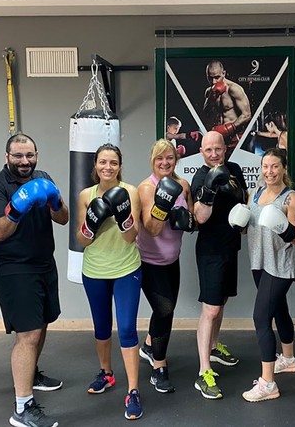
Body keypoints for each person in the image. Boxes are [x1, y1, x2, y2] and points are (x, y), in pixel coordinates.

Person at [0, 133, 68, 427]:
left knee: (42, 325)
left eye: (29, 155)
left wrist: (54, 201)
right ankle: (23, 408)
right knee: (28, 335)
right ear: (7, 157)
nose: (24, 161)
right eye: (18, 156)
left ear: (36, 155)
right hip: (14, 269)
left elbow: (63, 218)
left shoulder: (43, 177)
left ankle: (31, 374)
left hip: (44, 264)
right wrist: (18, 206)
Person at [75, 143, 145, 420]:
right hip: (94, 270)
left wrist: (122, 216)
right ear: (95, 165)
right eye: (103, 162)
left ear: (120, 166)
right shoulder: (85, 195)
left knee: (126, 328)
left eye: (113, 162)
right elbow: (81, 241)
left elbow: (131, 237)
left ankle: (133, 391)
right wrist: (91, 224)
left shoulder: (131, 192)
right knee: (101, 327)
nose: (108, 167)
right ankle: (106, 373)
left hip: (126, 268)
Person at [238, 148, 295, 402]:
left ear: (284, 168)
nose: (270, 171)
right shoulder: (255, 193)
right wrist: (239, 223)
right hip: (259, 262)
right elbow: (248, 229)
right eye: (266, 166)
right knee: (279, 310)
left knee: (261, 318)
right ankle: (288, 359)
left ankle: (268, 384)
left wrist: (285, 227)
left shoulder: (291, 198)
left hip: (280, 264)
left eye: (275, 166)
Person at [191, 131, 248, 399]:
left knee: (221, 301)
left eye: (218, 149)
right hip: (210, 251)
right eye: (209, 150)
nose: (214, 154)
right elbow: (200, 218)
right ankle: (204, 371)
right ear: (202, 152)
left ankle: (214, 346)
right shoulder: (200, 177)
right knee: (210, 308)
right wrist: (210, 190)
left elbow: (244, 200)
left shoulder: (234, 169)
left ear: (225, 148)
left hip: (230, 245)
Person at [136, 139, 196, 393]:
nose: (165, 162)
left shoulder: (183, 185)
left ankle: (150, 345)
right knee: (165, 309)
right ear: (152, 161)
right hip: (148, 262)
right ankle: (159, 365)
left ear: (176, 160)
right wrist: (163, 207)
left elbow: (192, 220)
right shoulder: (146, 188)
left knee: (165, 312)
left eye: (169, 158)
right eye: (159, 158)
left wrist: (186, 217)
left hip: (172, 260)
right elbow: (151, 228)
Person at [203, 60, 252, 156]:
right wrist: (211, 98)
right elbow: (205, 113)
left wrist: (230, 128)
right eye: (210, 78)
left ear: (223, 73)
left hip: (235, 138)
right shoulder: (209, 91)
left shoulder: (234, 89)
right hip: (219, 139)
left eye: (217, 77)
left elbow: (247, 115)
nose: (214, 81)